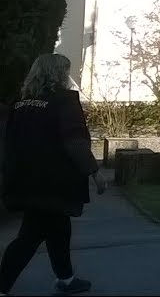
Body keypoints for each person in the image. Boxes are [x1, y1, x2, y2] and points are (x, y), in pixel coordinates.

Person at [0, 54, 105, 295]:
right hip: (53, 182)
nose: (69, 77)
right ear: (58, 74)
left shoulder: (22, 104)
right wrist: (95, 172)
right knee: (29, 238)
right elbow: (75, 141)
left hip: (26, 180)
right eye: (66, 72)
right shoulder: (64, 102)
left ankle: (66, 279)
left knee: (58, 228)